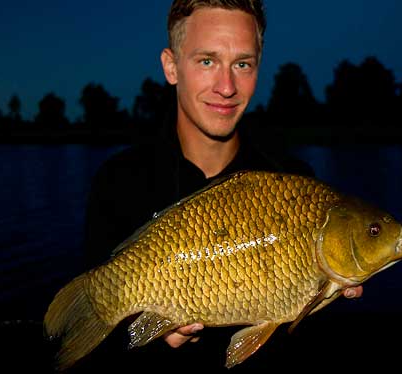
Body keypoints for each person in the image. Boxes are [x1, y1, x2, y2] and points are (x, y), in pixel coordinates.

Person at [80, 0, 363, 371]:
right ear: (171, 66)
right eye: (207, 61)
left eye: (242, 64)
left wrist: (321, 299)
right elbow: (102, 353)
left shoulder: (294, 181)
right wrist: (150, 335)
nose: (227, 87)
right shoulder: (118, 183)